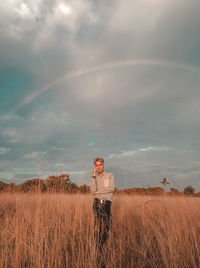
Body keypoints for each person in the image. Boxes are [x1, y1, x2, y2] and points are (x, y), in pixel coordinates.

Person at [90, 157, 115, 267]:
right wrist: (93, 175)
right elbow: (92, 190)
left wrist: (99, 192)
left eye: (100, 165)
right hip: (96, 204)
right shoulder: (94, 177)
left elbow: (111, 188)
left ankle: (101, 244)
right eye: (96, 165)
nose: (99, 167)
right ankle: (98, 249)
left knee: (107, 228)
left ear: (103, 165)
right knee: (97, 226)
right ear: (94, 167)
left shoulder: (109, 175)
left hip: (106, 204)